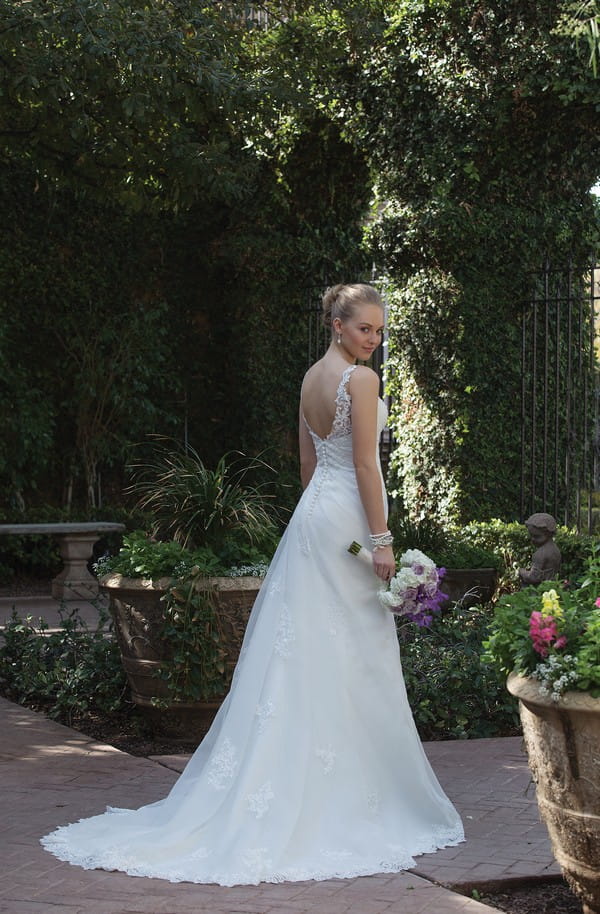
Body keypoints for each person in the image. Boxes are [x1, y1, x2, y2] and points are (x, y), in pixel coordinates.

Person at [41, 283, 464, 885]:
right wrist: (381, 540)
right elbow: (367, 464)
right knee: (350, 654)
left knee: (308, 652)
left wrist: (327, 520)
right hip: (348, 520)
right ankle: (348, 795)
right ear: (338, 326)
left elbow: (307, 468)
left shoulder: (311, 378)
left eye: (380, 329)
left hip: (315, 519)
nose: (375, 338)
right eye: (365, 328)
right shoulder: (361, 382)